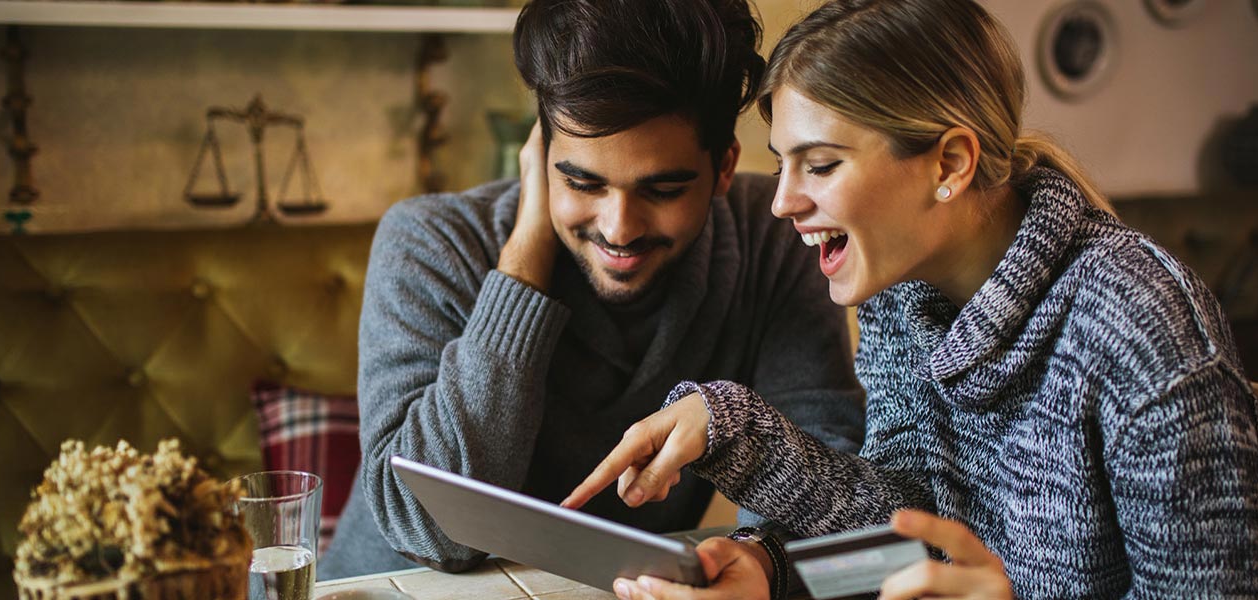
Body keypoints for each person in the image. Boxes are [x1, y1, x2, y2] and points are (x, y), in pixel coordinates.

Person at [563, 0, 1258, 598]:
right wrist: (768, 559)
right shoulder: (904, 295)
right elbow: (904, 530)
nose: (782, 201)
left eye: (822, 164)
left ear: (949, 164)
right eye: (783, 164)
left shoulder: (1138, 322)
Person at [318, 0, 866, 579]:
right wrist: (526, 255)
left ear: (724, 167)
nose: (619, 228)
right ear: (541, 157)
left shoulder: (773, 243)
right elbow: (430, 533)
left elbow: (836, 501)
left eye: (663, 190)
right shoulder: (431, 241)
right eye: (582, 181)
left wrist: (760, 559)